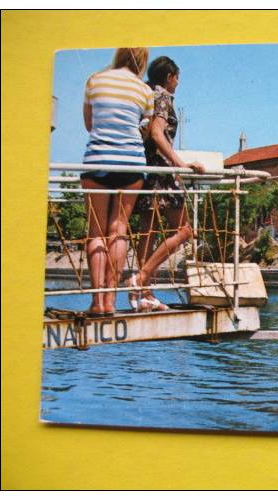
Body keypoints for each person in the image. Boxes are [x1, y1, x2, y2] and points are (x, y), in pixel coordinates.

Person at [129, 56, 205, 312]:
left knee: (147, 232)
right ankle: (140, 278)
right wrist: (180, 165)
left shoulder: (145, 94)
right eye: (177, 78)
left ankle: (143, 293)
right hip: (162, 170)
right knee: (184, 230)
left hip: (144, 169)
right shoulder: (162, 97)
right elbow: (157, 133)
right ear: (170, 76)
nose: (178, 83)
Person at [80, 47, 153, 316]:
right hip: (131, 162)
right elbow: (143, 130)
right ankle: (111, 301)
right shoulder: (145, 90)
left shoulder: (95, 80)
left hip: (98, 158)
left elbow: (89, 124)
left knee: (96, 231)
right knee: (118, 228)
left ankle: (97, 301)